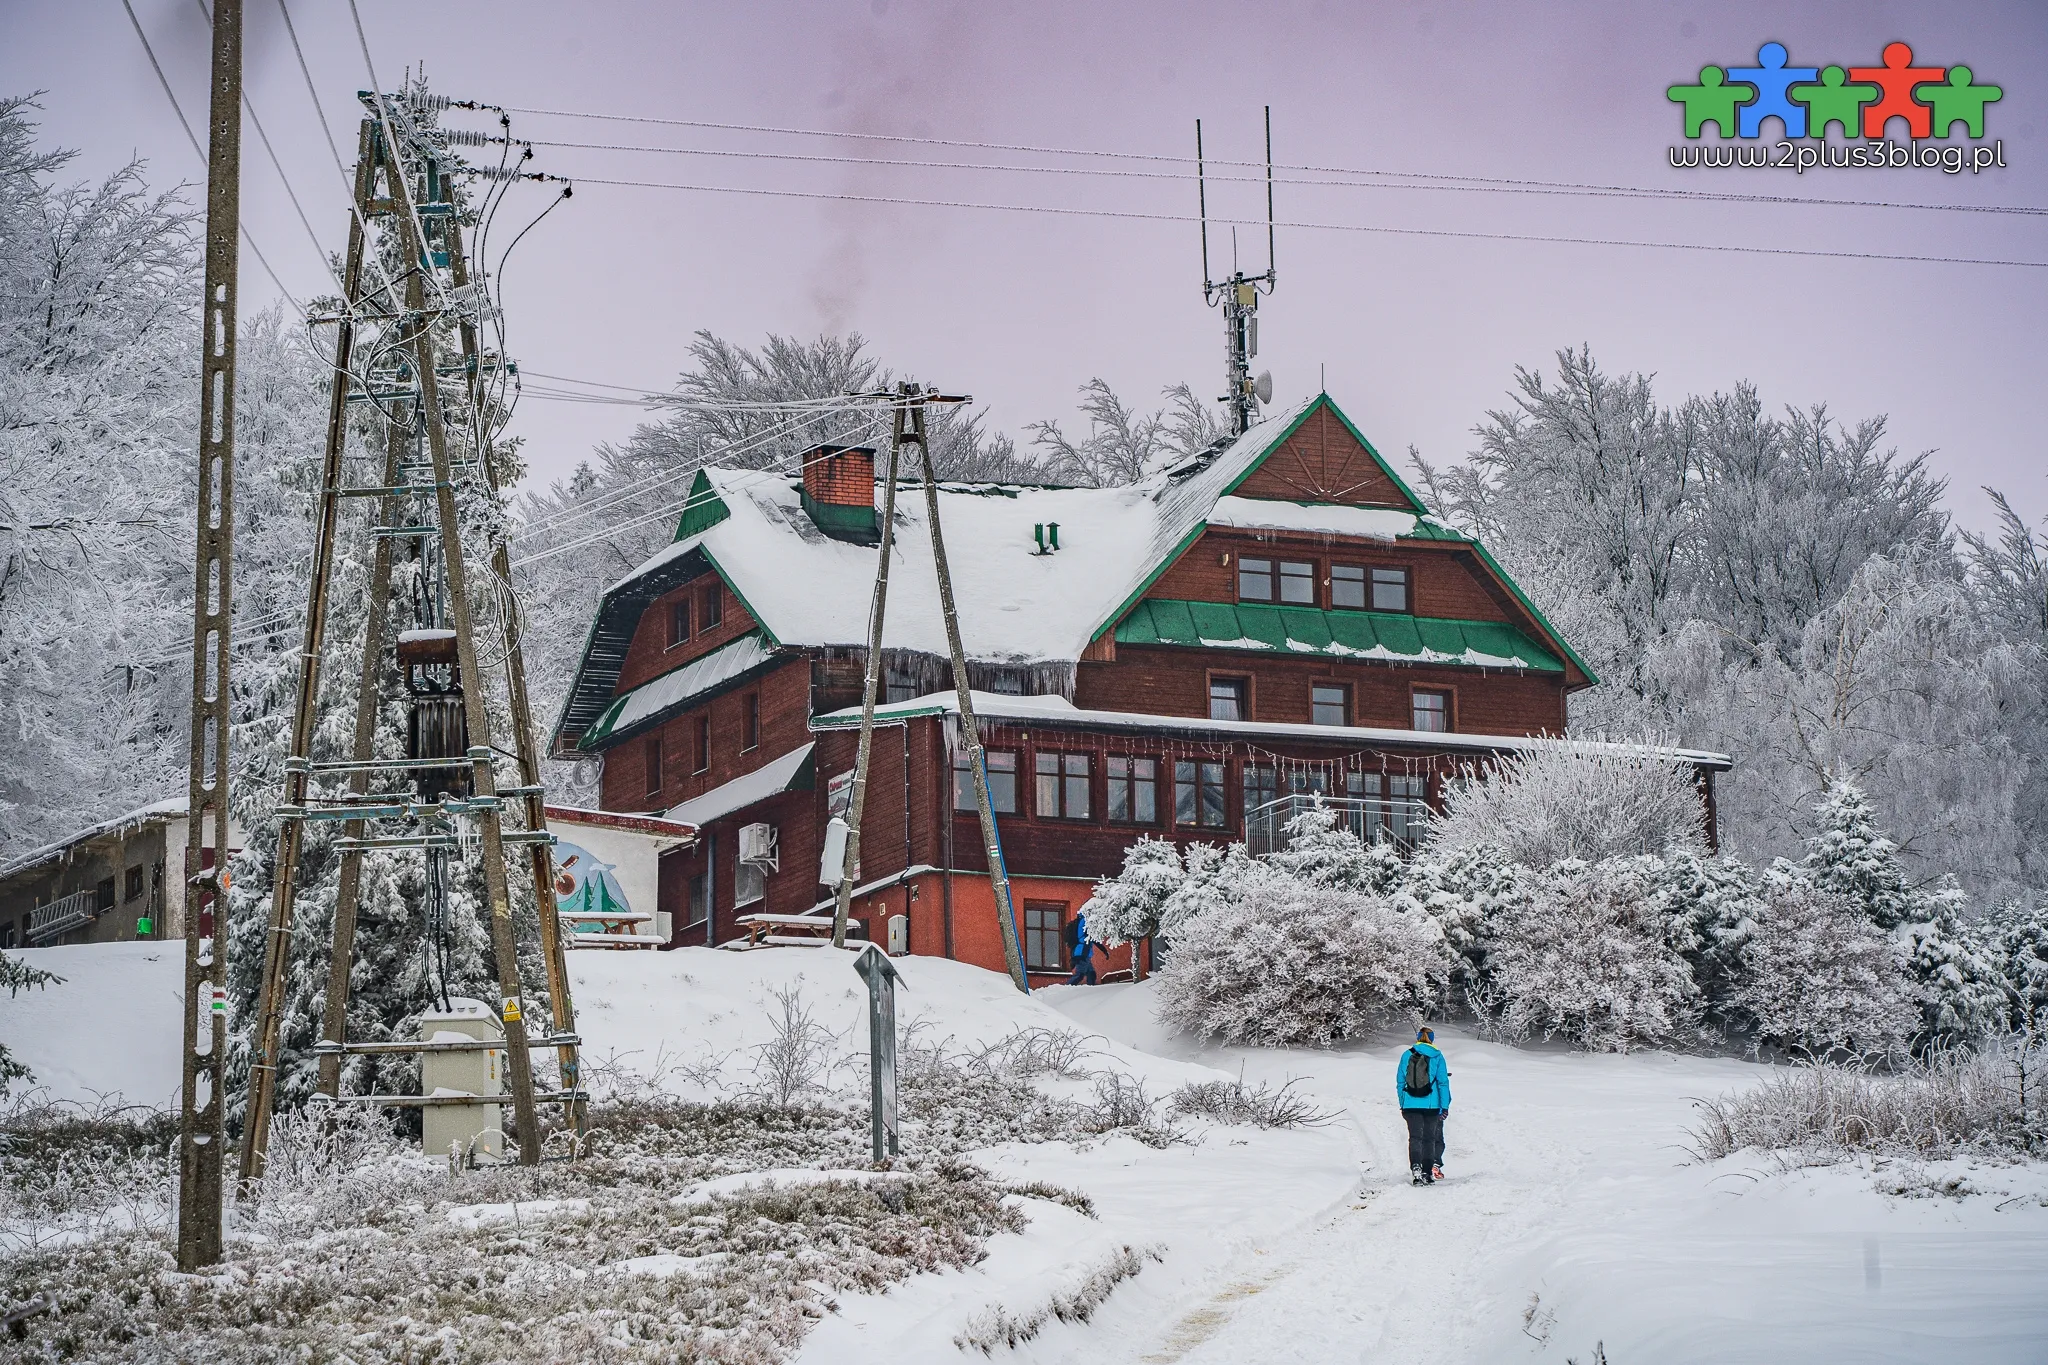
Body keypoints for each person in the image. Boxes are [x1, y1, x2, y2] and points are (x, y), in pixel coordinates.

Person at [1395, 1025, 1451, 1185]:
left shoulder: (1406, 1055)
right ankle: (1427, 1172)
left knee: (1415, 1137)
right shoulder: (1437, 1056)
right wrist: (1444, 1106)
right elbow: (1442, 1083)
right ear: (1432, 1039)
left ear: (1418, 1037)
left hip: (1410, 1104)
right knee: (1429, 1138)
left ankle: (1416, 1168)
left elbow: (1400, 1081)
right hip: (1431, 1105)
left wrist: (1403, 1102)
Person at [1065, 910, 1097, 986]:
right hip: (1083, 952)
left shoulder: (1079, 921)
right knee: (1080, 975)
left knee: (1091, 974)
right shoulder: (1085, 921)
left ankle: (1092, 990)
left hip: (1080, 952)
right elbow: (1090, 937)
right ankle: (1067, 988)